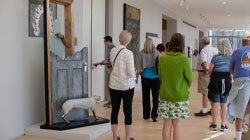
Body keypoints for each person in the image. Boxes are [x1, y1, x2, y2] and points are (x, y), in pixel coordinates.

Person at [158, 33, 193, 140]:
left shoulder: (163, 58)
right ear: (182, 44)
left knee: (167, 123)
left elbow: (160, 76)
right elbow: (190, 79)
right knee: (177, 123)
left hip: (165, 96)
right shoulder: (184, 59)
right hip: (180, 97)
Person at [109, 31, 136, 140]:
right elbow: (130, 72)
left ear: (119, 39)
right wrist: (135, 72)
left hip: (114, 84)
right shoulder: (128, 53)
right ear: (128, 41)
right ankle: (127, 138)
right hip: (126, 86)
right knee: (127, 110)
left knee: (114, 110)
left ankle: (115, 137)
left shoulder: (112, 50)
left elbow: (113, 65)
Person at [227, 32, 250, 140]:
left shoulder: (237, 52)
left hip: (242, 85)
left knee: (240, 112)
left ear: (242, 41)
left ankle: (239, 137)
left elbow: (231, 69)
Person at [207, 38, 233, 131]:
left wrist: (212, 77)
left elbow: (210, 70)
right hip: (226, 81)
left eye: (218, 44)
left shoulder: (215, 57)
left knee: (214, 104)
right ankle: (223, 124)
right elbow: (232, 70)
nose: (217, 46)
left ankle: (214, 124)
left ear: (221, 46)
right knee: (224, 103)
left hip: (215, 82)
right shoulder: (231, 57)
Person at [136, 39, 160, 122]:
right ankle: (154, 115)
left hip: (145, 77)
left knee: (145, 96)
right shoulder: (156, 52)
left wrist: (136, 76)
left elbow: (138, 65)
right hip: (156, 77)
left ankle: (146, 115)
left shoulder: (141, 53)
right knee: (156, 97)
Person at [195, 37, 218, 117]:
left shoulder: (204, 50)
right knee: (212, 91)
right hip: (214, 72)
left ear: (202, 43)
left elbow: (203, 61)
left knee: (205, 92)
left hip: (206, 73)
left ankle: (204, 111)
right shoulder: (215, 49)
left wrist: (205, 71)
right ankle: (212, 110)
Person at [93, 36, 115, 108]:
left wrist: (106, 61)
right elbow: (108, 61)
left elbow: (114, 60)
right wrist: (99, 63)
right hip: (108, 68)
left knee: (111, 86)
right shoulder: (109, 48)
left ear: (108, 41)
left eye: (104, 41)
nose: (104, 43)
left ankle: (112, 102)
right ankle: (110, 101)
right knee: (107, 86)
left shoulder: (113, 49)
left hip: (112, 69)